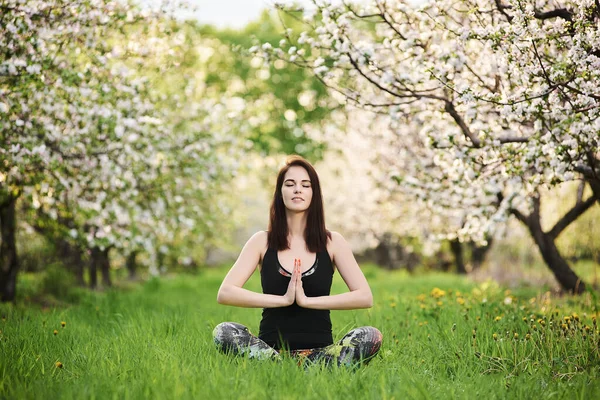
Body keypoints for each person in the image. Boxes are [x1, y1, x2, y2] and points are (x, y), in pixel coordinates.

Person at [213, 155, 382, 367]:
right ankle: (277, 365)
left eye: (305, 185)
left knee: (370, 335)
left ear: (314, 193)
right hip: (270, 351)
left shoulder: (333, 242)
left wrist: (307, 302)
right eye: (290, 184)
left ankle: (317, 366)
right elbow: (225, 292)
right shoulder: (261, 241)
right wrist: (283, 300)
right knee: (223, 331)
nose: (297, 190)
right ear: (280, 192)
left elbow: (364, 297)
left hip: (321, 352)